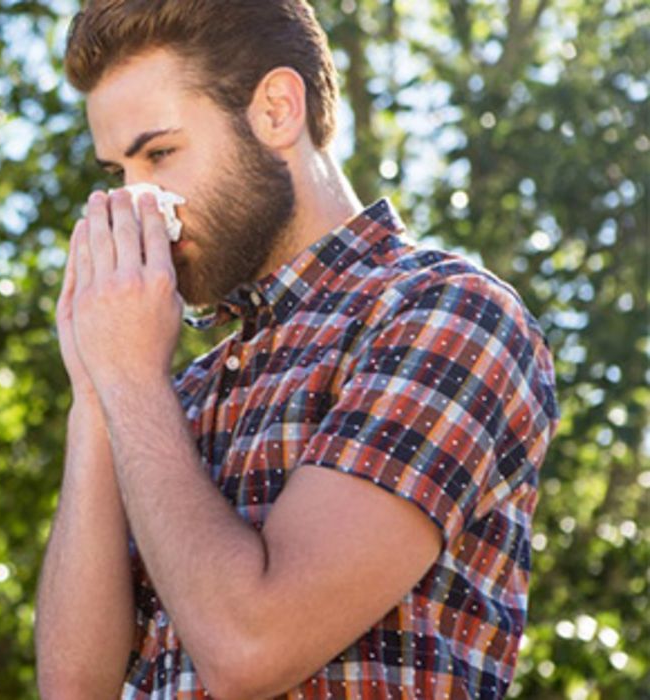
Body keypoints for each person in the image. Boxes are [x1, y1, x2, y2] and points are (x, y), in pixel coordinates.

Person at [32, 2, 560, 698]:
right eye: (118, 170)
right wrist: (97, 392)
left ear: (277, 110)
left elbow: (251, 646)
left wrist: (129, 379)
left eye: (159, 154)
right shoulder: (171, 397)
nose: (137, 204)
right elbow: (73, 690)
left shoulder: (442, 313)